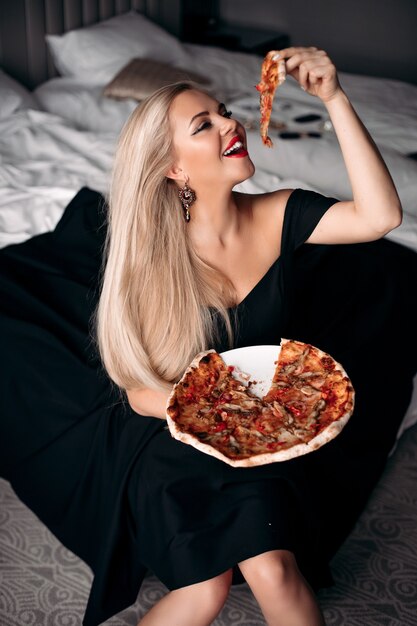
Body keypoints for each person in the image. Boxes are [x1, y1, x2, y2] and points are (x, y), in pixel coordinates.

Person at [1, 47, 416, 626]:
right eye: (206, 124)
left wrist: (333, 99)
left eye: (223, 111)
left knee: (274, 570)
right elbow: (138, 391)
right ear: (173, 168)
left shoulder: (280, 213)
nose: (231, 122)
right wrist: (222, 417)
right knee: (206, 589)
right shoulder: (151, 256)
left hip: (256, 433)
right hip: (166, 435)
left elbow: (379, 218)